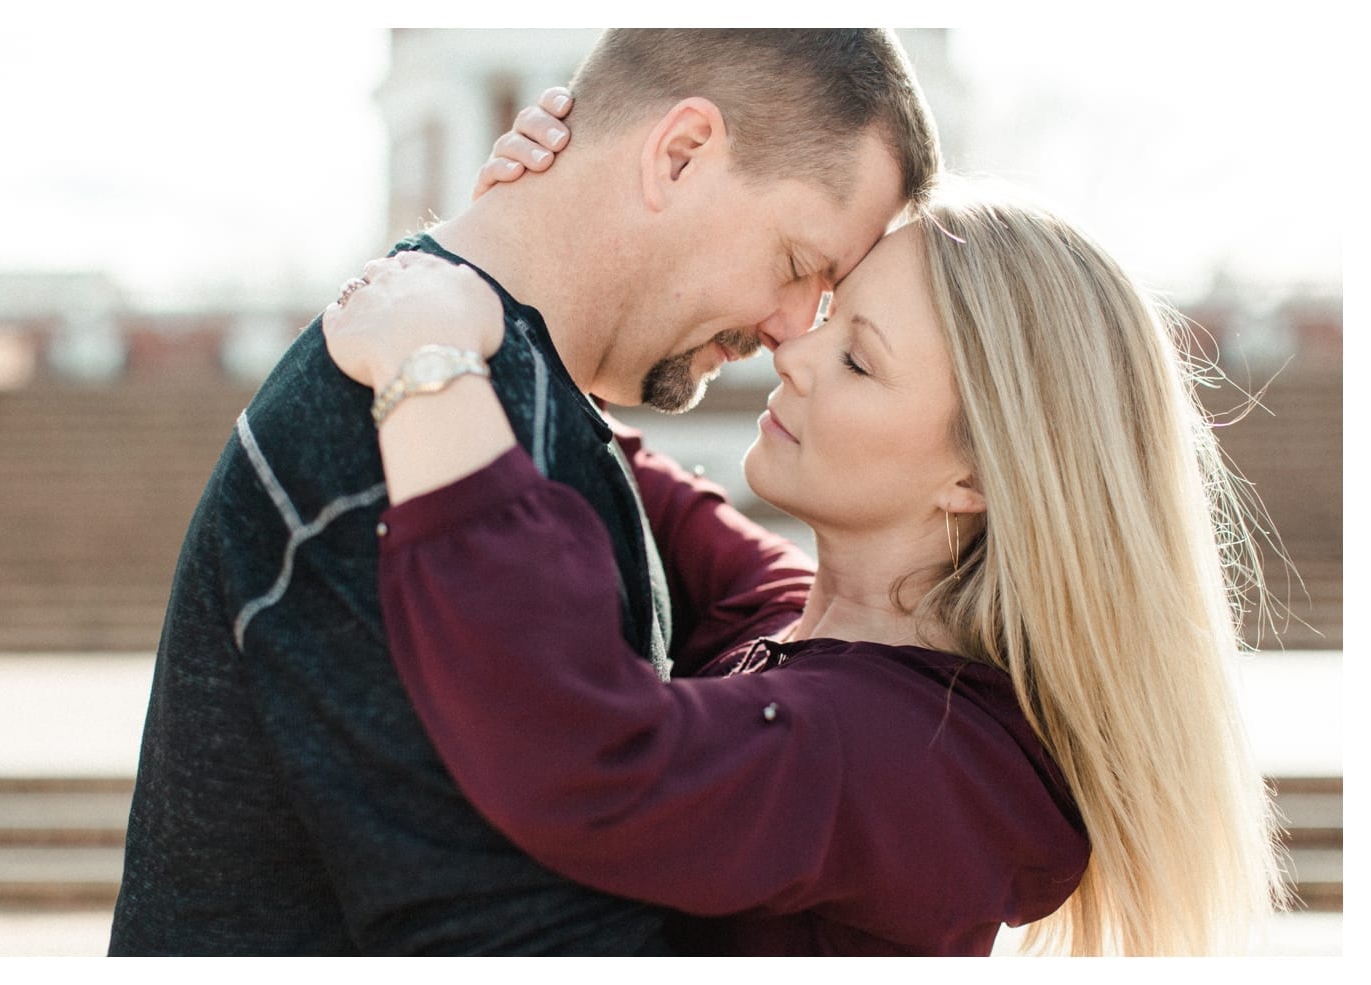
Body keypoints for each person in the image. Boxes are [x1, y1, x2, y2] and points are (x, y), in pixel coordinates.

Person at [108, 29, 939, 955]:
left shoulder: (491, 399)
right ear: (680, 153)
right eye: (796, 264)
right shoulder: (413, 436)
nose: (792, 331)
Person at [322, 174, 1291, 954]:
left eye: (858, 359)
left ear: (978, 477)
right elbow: (630, 473)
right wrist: (540, 214)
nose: (795, 352)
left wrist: (426, 364)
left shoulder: (924, 755)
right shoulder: (795, 614)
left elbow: (593, 759)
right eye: (829, 314)